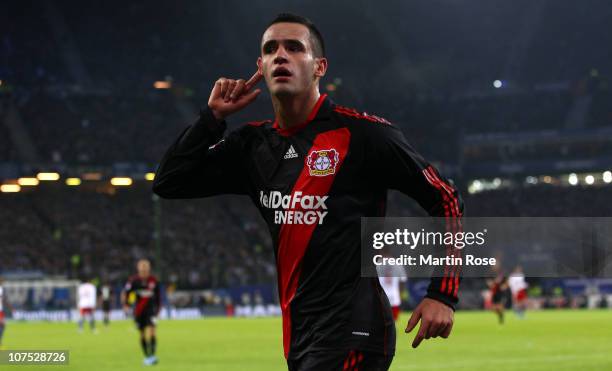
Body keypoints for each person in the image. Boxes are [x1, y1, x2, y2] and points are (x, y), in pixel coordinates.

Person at [153, 13, 463, 370]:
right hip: (300, 339)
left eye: (294, 48)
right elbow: (169, 182)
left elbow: (447, 199)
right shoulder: (251, 146)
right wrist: (211, 119)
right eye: (271, 49)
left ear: (319, 67)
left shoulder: (365, 136)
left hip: (354, 334)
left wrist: (443, 293)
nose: (280, 55)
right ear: (260, 66)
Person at [121, 259, 161, 366]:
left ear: (149, 268)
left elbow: (158, 297)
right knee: (142, 334)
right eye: (142, 267)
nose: (144, 269)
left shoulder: (154, 280)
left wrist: (158, 310)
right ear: (138, 269)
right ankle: (147, 356)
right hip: (139, 311)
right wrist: (126, 305)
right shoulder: (133, 281)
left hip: (151, 311)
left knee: (152, 331)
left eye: (145, 267)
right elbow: (127, 293)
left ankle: (152, 356)